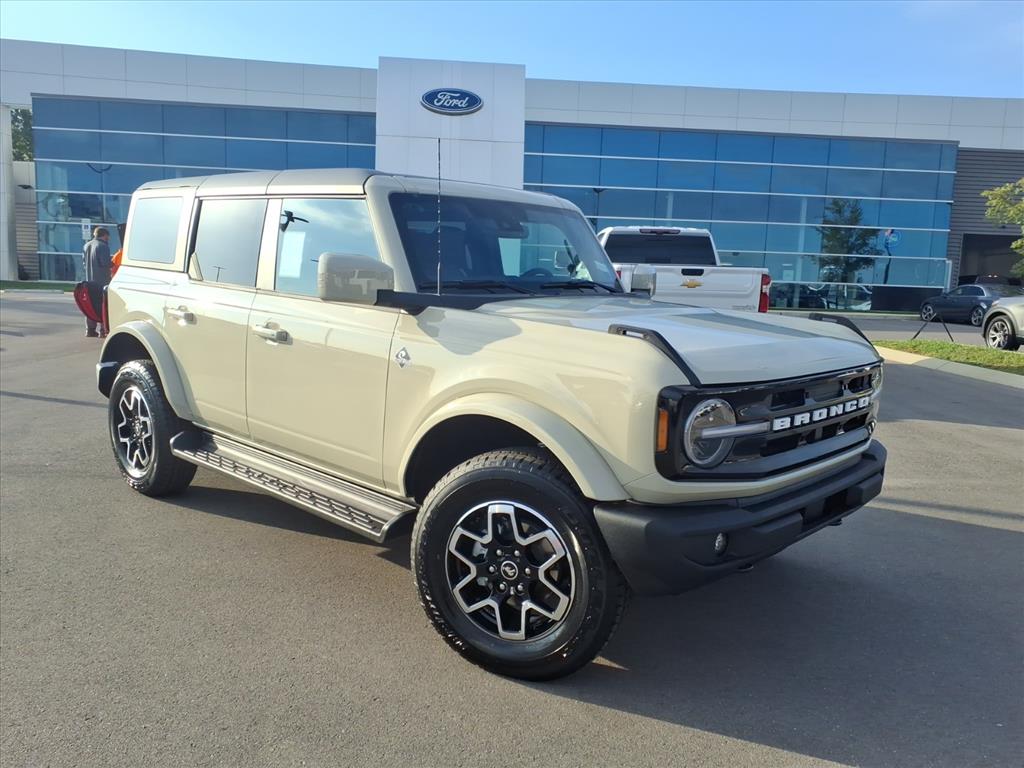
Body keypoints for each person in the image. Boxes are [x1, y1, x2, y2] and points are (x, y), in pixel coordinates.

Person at [82, 226, 112, 337]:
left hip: (89, 280)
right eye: (108, 237)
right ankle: (103, 330)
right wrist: (114, 261)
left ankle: (90, 330)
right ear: (105, 235)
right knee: (103, 305)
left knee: (91, 305)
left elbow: (84, 263)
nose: (108, 239)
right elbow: (105, 263)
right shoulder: (103, 246)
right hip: (102, 281)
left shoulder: (86, 245)